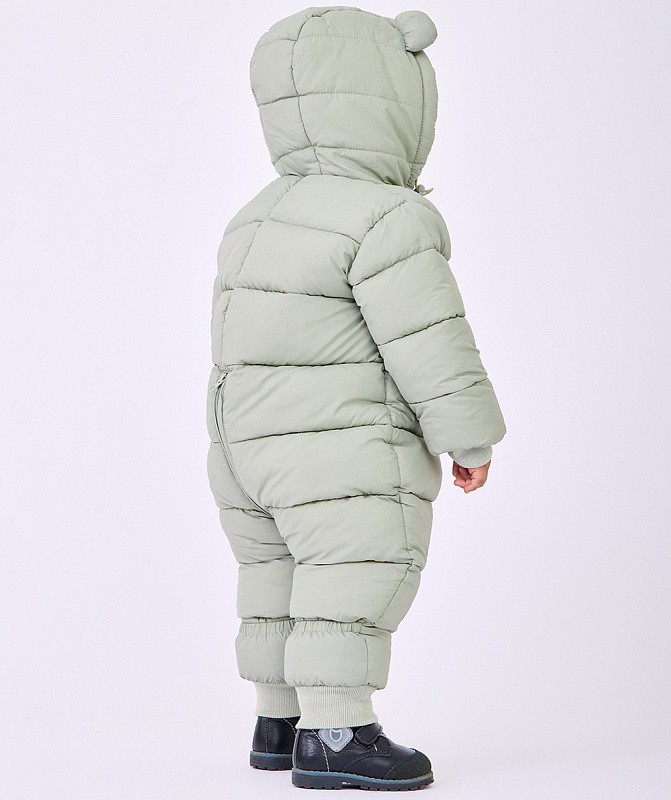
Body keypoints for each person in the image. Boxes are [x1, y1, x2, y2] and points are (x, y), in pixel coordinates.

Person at [205, 6, 507, 791]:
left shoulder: (254, 215)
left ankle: (278, 723)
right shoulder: (388, 215)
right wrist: (468, 437)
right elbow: (428, 338)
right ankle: (336, 730)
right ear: (398, 102)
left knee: (274, 578)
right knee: (353, 569)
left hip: (242, 449)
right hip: (340, 445)